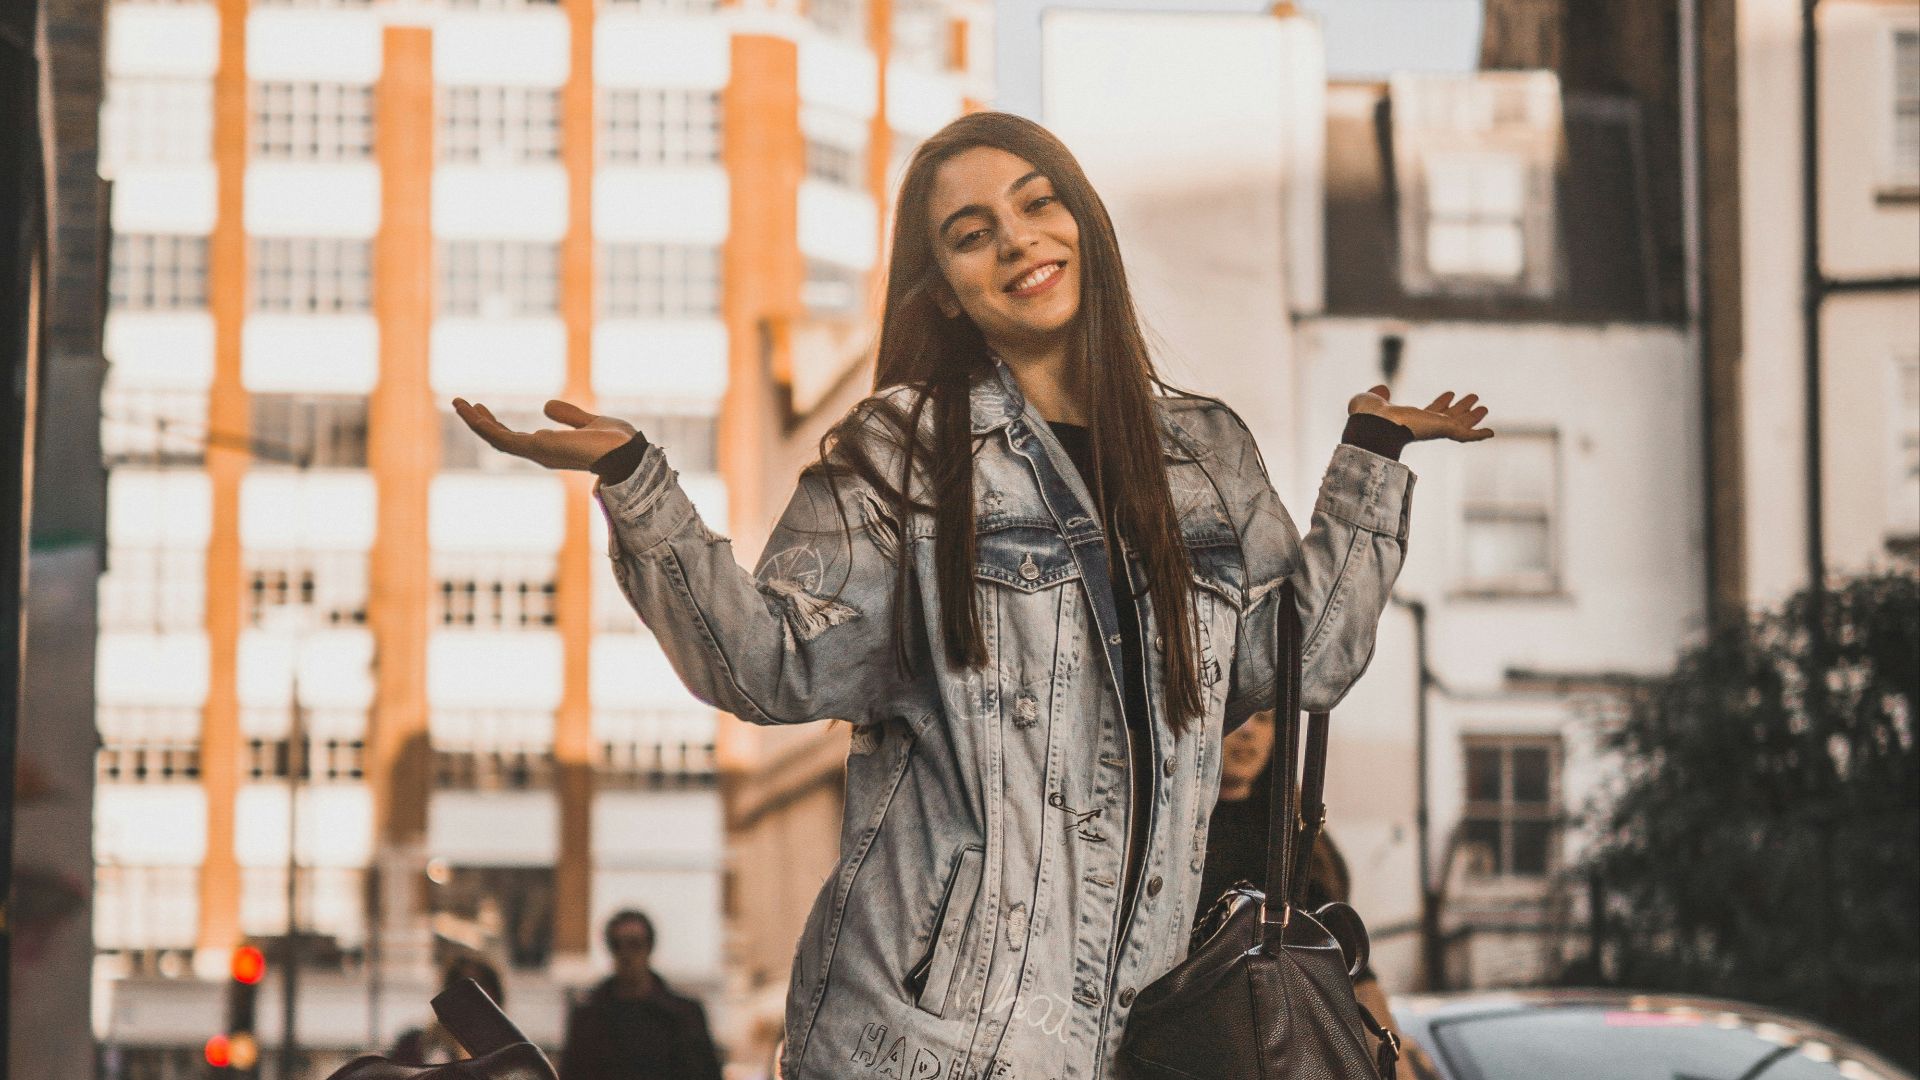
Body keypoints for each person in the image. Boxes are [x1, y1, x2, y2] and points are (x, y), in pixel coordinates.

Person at [455, 111, 1493, 1080]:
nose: (1017, 241)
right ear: (946, 291)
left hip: (1142, 1035)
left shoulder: (1204, 454)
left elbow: (1300, 664)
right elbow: (768, 666)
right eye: (971, 233)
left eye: (1038, 204)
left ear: (1083, 224)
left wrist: (1371, 464)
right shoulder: (902, 453)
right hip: (929, 1040)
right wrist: (638, 484)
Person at [558, 910, 724, 1080]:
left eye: (634, 944)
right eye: (617, 945)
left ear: (648, 948)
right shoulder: (588, 1018)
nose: (626, 954)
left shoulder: (684, 1016)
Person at [387, 954, 507, 1065]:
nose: (470, 994)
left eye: (481, 984)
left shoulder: (507, 1052)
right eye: (460, 984)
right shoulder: (414, 1045)